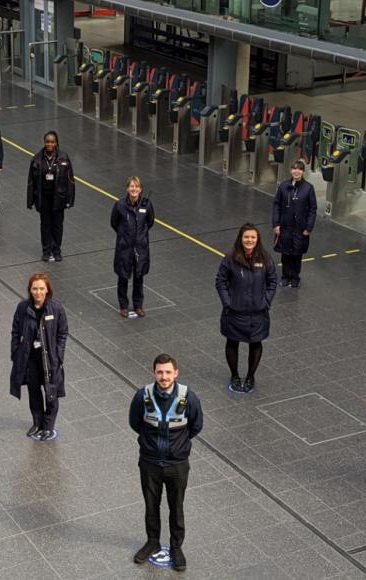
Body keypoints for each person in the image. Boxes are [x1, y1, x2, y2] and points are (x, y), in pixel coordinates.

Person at [129, 353, 203, 572]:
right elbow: (135, 422)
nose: (164, 376)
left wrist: (178, 446)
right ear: (154, 373)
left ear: (176, 373)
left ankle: (176, 547)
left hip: (177, 464)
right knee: (151, 505)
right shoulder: (142, 396)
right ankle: (152, 542)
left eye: (168, 372)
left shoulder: (188, 397)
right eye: (160, 372)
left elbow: (196, 425)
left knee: (176, 506)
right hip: (150, 462)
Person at [215, 223, 278, 393]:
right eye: (246, 237)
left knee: (255, 343)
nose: (249, 240)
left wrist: (266, 302)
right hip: (234, 312)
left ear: (257, 239)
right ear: (240, 239)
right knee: (232, 342)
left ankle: (250, 376)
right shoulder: (230, 258)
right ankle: (234, 375)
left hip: (258, 313)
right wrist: (228, 302)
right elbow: (220, 281)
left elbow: (273, 281)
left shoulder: (265, 258)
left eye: (253, 237)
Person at [10, 273, 68, 441]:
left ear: (47, 290)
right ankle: (37, 422)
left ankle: (48, 426)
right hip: (30, 359)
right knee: (33, 391)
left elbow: (62, 333)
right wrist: (16, 353)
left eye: (41, 288)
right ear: (30, 290)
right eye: (35, 288)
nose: (38, 292)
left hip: (50, 359)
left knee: (51, 392)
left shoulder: (56, 308)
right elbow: (15, 331)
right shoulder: (22, 308)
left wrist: (58, 355)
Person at [110, 176, 155, 318]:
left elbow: (150, 222)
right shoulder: (120, 205)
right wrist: (124, 236)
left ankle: (138, 306)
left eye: (136, 186)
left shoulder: (146, 205)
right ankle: (123, 306)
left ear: (140, 189)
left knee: (139, 277)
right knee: (123, 276)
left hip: (140, 248)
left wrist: (140, 237)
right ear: (127, 188)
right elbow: (114, 222)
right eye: (131, 186)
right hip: (125, 248)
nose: (134, 189)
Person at [27, 131, 75, 261]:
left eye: (52, 142)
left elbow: (70, 180)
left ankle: (57, 250)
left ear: (56, 143)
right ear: (44, 142)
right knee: (45, 225)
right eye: (47, 142)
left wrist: (69, 199)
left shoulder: (64, 158)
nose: (50, 144)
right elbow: (31, 181)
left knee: (58, 225)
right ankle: (46, 250)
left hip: (58, 198)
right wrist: (30, 200)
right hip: (44, 198)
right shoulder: (37, 159)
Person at [272, 159, 317, 288]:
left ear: (303, 172)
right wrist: (276, 224)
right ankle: (285, 276)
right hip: (285, 227)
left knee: (297, 254)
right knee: (285, 253)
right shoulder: (283, 186)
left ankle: (295, 277)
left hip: (300, 228)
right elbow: (276, 205)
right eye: (294, 168)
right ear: (290, 170)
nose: (296, 171)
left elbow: (312, 209)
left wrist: (308, 227)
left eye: (299, 169)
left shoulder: (308, 188)